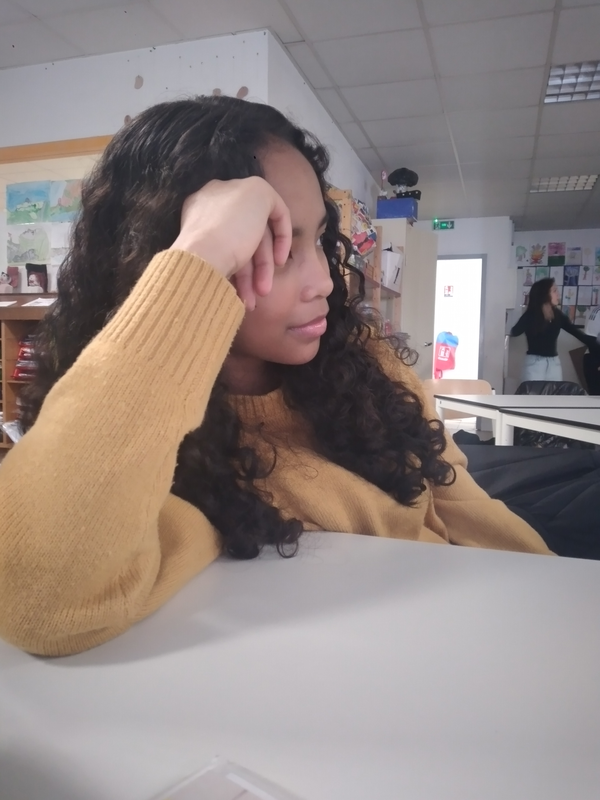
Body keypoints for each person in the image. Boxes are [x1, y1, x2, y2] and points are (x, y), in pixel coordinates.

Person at [0, 96, 551, 658]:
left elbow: (465, 508)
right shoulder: (172, 458)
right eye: (277, 249)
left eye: (319, 241)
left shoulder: (367, 364)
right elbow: (39, 599)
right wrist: (201, 254)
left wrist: (555, 611)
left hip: (471, 638)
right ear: (161, 263)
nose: (325, 283)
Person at [510, 277, 598, 382]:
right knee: (533, 392)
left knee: (554, 392)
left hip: (554, 363)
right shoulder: (531, 315)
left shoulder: (557, 315)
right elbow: (515, 332)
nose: (558, 294)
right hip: (534, 364)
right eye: (555, 291)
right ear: (544, 294)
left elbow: (579, 334)